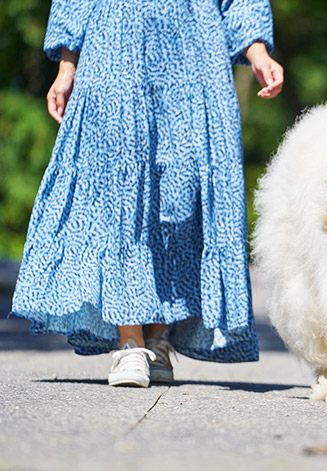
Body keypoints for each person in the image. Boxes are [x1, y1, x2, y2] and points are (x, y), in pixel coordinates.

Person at [11, 0, 284, 387]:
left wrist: (257, 51)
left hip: (195, 49)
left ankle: (156, 337)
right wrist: (67, 63)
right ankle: (129, 342)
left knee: (182, 196)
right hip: (115, 43)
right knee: (120, 193)